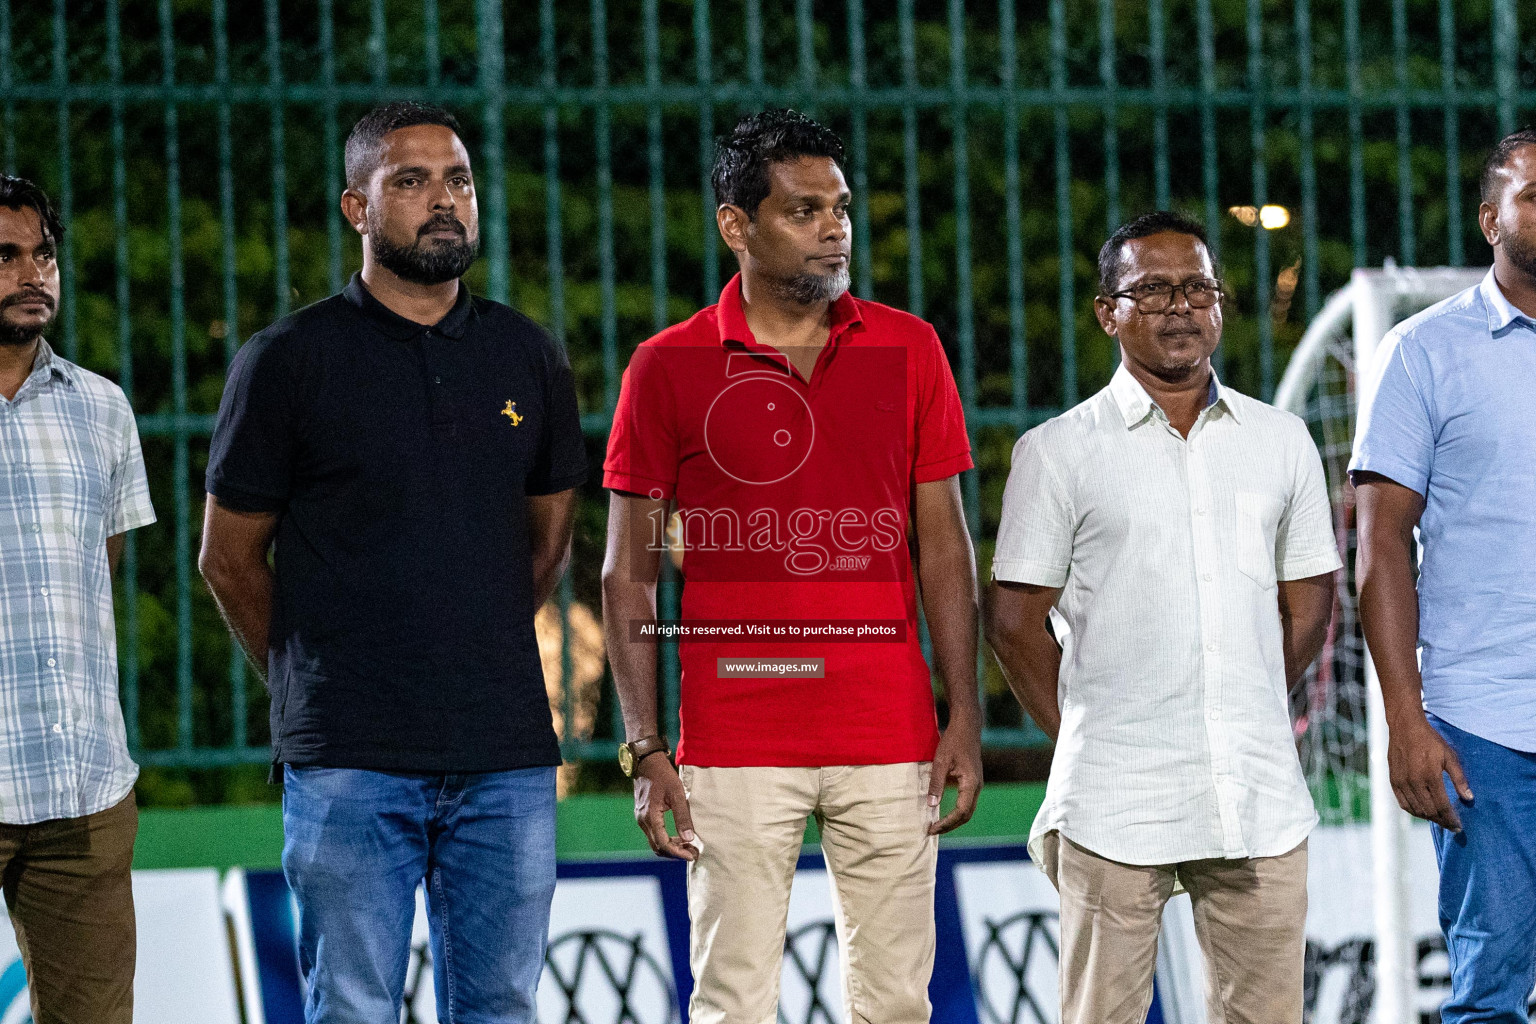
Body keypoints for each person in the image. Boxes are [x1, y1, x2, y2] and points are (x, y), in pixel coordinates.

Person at [199, 102, 585, 1023]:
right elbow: (228, 560)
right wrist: (314, 675)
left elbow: (547, 543)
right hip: (348, 762)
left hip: (505, 758)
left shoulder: (527, 354)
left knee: (501, 1008)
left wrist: (467, 644)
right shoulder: (288, 360)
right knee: (354, 1010)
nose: (442, 201)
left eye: (457, 180)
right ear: (356, 208)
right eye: (409, 182)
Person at [601, 109, 982, 1024]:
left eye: (840, 207)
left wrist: (962, 712)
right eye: (804, 210)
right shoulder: (666, 366)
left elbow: (945, 544)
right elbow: (628, 574)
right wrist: (646, 744)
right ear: (736, 224)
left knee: (896, 1004)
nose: (834, 228)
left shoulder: (910, 346)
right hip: (734, 740)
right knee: (733, 1003)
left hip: (891, 732)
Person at [987, 211, 1340, 1024]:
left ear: (1220, 306)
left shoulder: (1280, 441)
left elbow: (1311, 593)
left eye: (1198, 288)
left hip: (1255, 793)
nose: (1180, 307)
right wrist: (1084, 728)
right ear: (1108, 311)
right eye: (1152, 290)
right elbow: (1012, 620)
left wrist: (1247, 692)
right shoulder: (1059, 450)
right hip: (1115, 798)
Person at [1353, 127, 1536, 1024]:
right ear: (1488, 218)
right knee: (1491, 994)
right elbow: (1380, 541)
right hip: (1486, 726)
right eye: (1533, 195)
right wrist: (1405, 719)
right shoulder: (1422, 352)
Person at [0, 176, 156, 1024]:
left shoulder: (102, 409)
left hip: (83, 788)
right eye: (6, 256)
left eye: (44, 254)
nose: (33, 274)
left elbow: (96, 565)